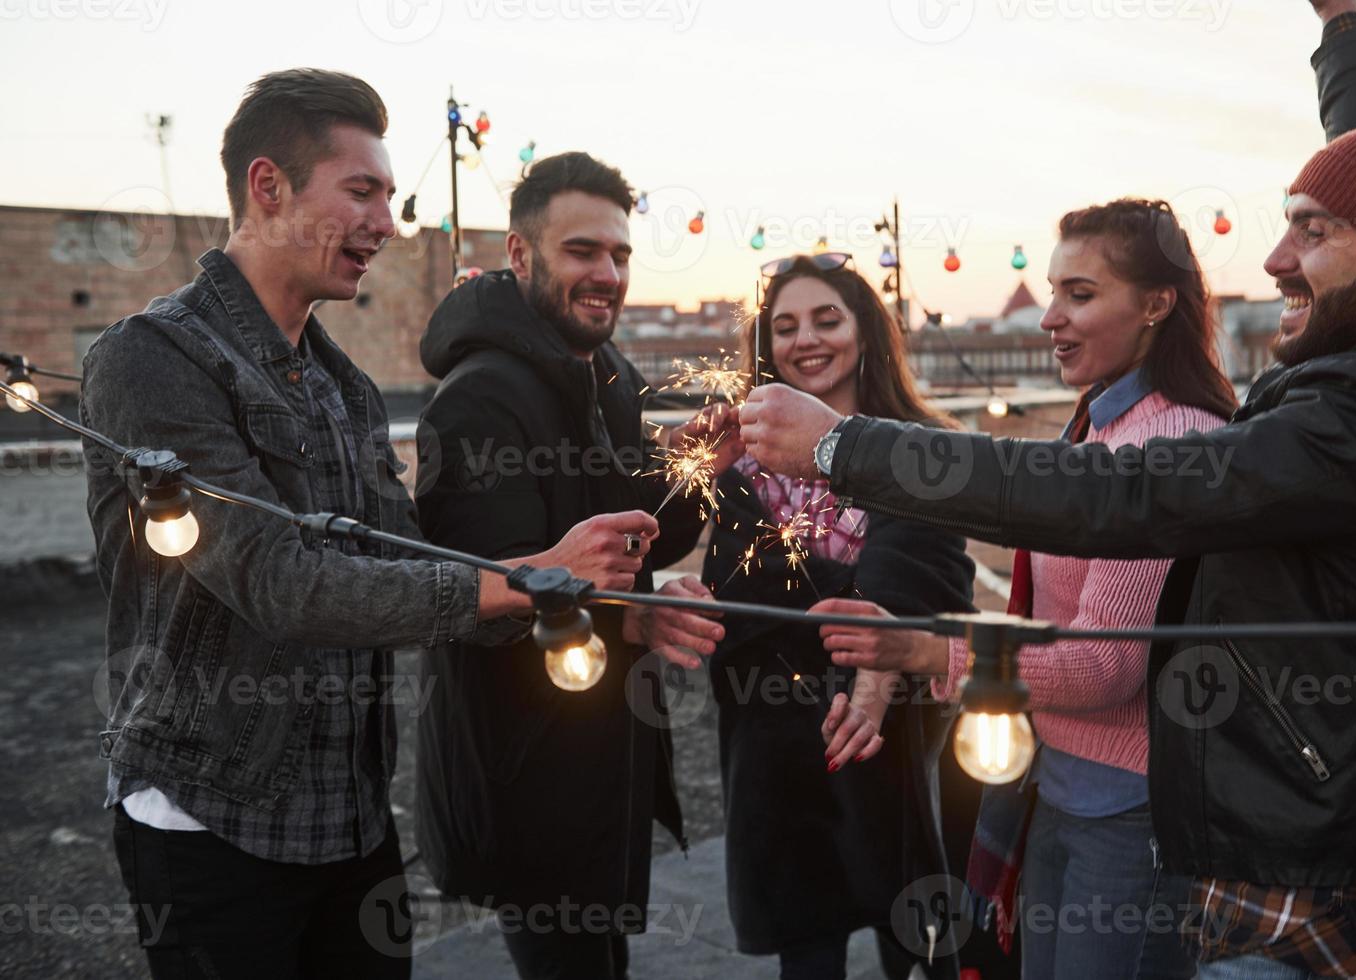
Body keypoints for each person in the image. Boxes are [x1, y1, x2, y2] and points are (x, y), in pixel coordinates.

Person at [739, 100, 1356, 980]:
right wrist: (1340, 33)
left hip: (1301, 845)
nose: (1274, 259)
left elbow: (1114, 525)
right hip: (1214, 803)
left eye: (1310, 232)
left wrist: (843, 453)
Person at [82, 70, 643, 979]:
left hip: (350, 819)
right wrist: (524, 580)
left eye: (386, 195)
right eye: (362, 192)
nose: (386, 221)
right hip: (210, 826)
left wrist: (562, 570)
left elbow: (398, 559)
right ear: (268, 187)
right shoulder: (152, 361)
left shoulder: (341, 383)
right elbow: (282, 583)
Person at [821, 198, 1234, 979]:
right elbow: (1051, 622)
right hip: (1056, 779)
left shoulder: (1173, 437)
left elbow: (1101, 666)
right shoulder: (1098, 425)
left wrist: (921, 648)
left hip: (1131, 807)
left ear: (1155, 304)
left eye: (1079, 295)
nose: (1050, 318)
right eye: (1051, 292)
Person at [411, 151, 741, 980]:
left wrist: (698, 475)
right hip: (525, 764)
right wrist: (638, 617)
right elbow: (474, 601)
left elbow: (639, 547)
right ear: (520, 256)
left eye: (620, 255)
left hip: (604, 747)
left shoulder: (607, 374)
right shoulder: (479, 397)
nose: (607, 274)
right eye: (582, 251)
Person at [646, 253, 975, 980]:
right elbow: (699, 570)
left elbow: (933, 581)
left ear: (865, 331)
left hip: (891, 736)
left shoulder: (918, 444)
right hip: (777, 750)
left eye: (827, 319)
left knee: (918, 940)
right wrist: (694, 469)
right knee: (807, 946)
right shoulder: (742, 464)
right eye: (786, 326)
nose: (807, 340)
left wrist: (851, 625)